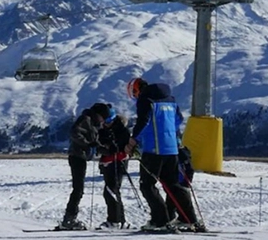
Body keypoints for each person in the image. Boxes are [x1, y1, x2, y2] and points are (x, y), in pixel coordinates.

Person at [125, 77, 203, 231]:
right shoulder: (170, 100)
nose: (135, 97)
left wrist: (133, 141)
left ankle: (160, 220)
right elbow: (178, 120)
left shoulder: (146, 100)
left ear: (136, 90)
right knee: (172, 185)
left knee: (147, 185)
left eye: (134, 93)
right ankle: (189, 219)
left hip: (154, 150)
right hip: (172, 149)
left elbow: (143, 121)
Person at [59, 102, 109, 229]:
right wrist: (87, 144)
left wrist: (105, 150)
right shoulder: (85, 119)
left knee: (78, 189)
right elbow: (75, 132)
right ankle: (69, 219)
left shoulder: (92, 122)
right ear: (98, 114)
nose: (103, 120)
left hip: (81, 157)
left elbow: (94, 142)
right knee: (78, 189)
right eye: (103, 117)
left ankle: (69, 219)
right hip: (77, 156)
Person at [96, 104, 131, 227]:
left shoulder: (121, 130)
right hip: (107, 162)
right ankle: (118, 220)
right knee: (111, 190)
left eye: (109, 120)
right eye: (105, 121)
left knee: (111, 190)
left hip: (118, 162)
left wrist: (110, 148)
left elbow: (122, 147)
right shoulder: (103, 130)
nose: (106, 123)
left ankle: (116, 220)